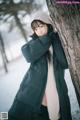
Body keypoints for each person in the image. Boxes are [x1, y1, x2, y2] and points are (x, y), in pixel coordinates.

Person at [8, 12, 72, 120]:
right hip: (34, 84)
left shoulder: (55, 39)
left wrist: (54, 39)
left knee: (56, 113)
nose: (39, 30)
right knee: (29, 112)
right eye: (36, 29)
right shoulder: (35, 42)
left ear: (48, 24)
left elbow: (64, 63)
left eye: (41, 26)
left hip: (55, 83)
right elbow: (27, 54)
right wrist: (46, 39)